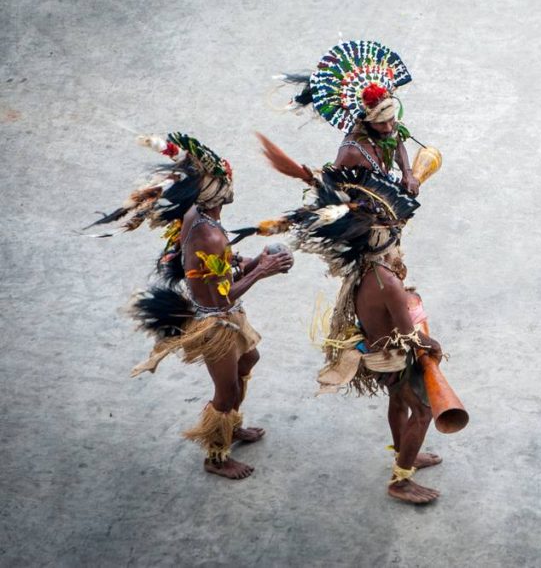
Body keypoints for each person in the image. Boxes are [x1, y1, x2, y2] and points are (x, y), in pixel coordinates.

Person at [237, 143, 448, 503]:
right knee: (424, 410)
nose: (398, 233)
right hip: (393, 357)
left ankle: (404, 454)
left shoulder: (369, 268)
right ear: (380, 236)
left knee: (398, 403)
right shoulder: (388, 282)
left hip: (376, 348)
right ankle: (401, 480)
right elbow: (411, 337)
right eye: (394, 229)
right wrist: (434, 346)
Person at [88, 132, 292, 478]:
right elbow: (223, 295)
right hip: (215, 323)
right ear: (215, 193)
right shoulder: (210, 233)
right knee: (225, 392)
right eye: (225, 182)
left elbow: (214, 268)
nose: (230, 185)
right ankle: (216, 457)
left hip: (222, 313)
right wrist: (264, 270)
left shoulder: (198, 215)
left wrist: (255, 259)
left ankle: (231, 425)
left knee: (249, 360)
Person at [281, 39, 421, 195]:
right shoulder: (351, 151)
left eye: (391, 119)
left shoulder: (389, 129)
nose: (389, 127)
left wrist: (407, 173)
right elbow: (331, 186)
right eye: (381, 123)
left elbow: (396, 143)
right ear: (365, 121)